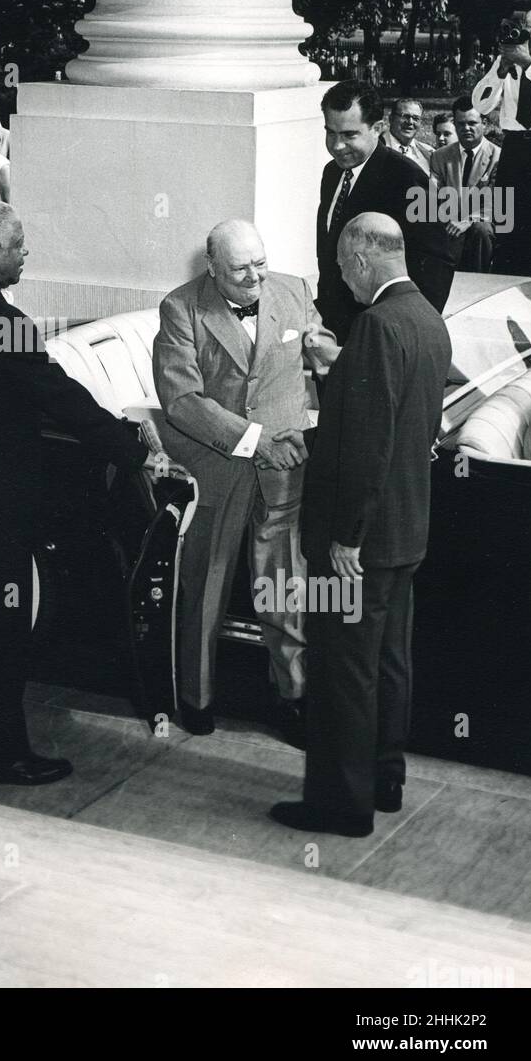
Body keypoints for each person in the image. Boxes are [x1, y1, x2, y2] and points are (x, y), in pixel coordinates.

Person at [0, 200, 148, 785]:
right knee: (0, 628)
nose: (25, 252)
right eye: (18, 244)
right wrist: (131, 446)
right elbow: (55, 392)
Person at [271, 214, 451, 838]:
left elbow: (372, 442)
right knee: (390, 660)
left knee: (343, 668)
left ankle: (339, 805)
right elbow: (401, 425)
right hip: (407, 530)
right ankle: (384, 778)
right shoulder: (428, 318)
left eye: (343, 268)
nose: (341, 280)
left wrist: (347, 534)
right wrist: (317, 434)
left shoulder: (375, 325)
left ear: (363, 258)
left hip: (361, 540)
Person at [152, 221, 340, 743]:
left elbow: (321, 360)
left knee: (286, 589)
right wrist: (257, 440)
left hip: (287, 466)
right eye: (240, 269)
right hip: (219, 467)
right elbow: (182, 401)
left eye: (260, 262)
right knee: (206, 589)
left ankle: (294, 698)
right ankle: (196, 697)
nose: (255, 276)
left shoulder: (294, 290)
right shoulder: (180, 308)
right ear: (212, 268)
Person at [317, 81, 454, 344]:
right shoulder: (331, 173)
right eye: (330, 133)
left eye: (349, 135)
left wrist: (408, 335)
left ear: (377, 129)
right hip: (334, 331)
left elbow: (437, 265)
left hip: (383, 337)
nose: (337, 146)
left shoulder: (408, 178)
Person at [472, 4, 531, 274]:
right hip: (514, 147)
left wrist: (528, 64)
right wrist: (500, 72)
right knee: (508, 214)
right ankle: (508, 269)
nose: (525, 35)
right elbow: (481, 104)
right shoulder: (505, 61)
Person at [429, 97, 500, 273]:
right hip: (449, 219)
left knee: (480, 230)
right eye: (460, 124)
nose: (466, 128)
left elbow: (497, 200)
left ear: (484, 123)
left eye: (472, 123)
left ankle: (476, 284)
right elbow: (434, 193)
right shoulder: (440, 156)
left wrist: (469, 220)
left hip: (482, 221)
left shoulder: (498, 156)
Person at [384, 98, 434, 178]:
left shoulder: (428, 154)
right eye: (405, 116)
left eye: (416, 118)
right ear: (391, 119)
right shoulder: (374, 148)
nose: (410, 122)